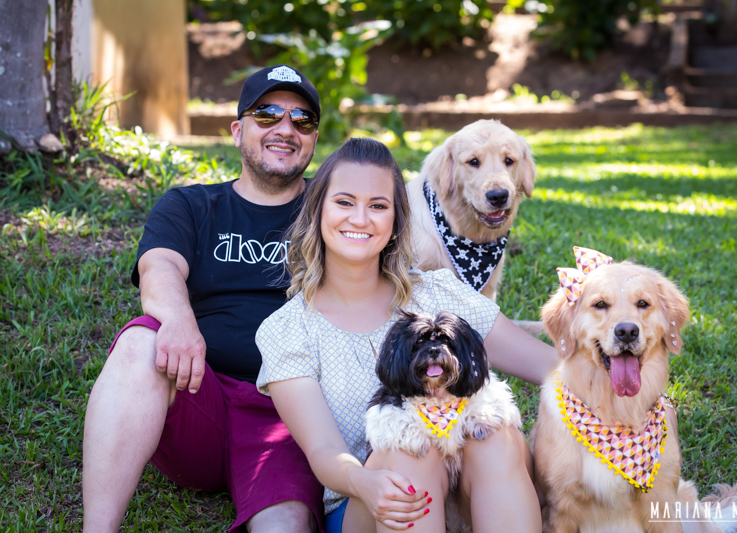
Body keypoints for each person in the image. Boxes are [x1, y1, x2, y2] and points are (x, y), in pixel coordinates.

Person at [255, 138, 560, 533]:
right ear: (317, 211)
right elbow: (324, 450)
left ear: (397, 219)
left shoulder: (438, 293)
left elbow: (555, 371)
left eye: (378, 206)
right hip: (372, 499)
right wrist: (364, 482)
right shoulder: (288, 330)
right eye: (344, 202)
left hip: (473, 492)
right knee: (409, 449)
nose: (361, 219)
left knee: (494, 435)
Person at [82, 65, 328, 533]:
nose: (286, 129)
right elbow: (159, 266)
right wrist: (179, 321)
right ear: (237, 130)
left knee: (287, 523)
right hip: (200, 395)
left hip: (290, 414)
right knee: (139, 343)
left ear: (314, 139)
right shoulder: (191, 205)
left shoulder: (333, 209)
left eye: (302, 120)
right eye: (267, 114)